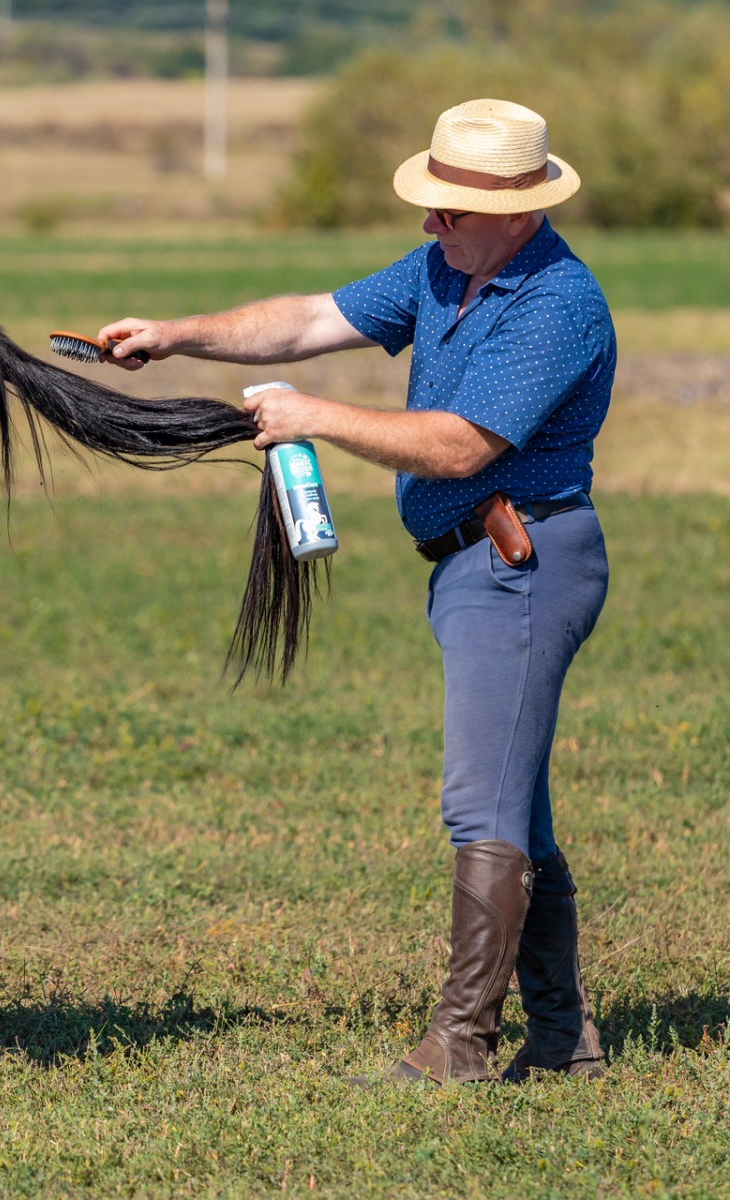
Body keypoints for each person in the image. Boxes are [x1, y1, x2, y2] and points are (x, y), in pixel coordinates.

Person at [97, 98, 614, 1085]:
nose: (430, 222)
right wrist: (175, 334)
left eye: (450, 209)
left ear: (516, 210)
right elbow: (309, 318)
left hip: (525, 563)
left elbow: (462, 443)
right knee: (515, 807)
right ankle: (562, 1042)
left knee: (481, 808)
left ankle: (460, 1047)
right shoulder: (443, 269)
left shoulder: (559, 304)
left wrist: (316, 417)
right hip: (476, 565)